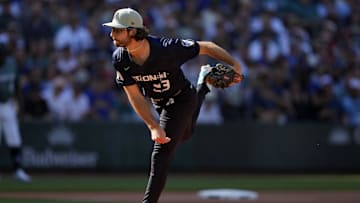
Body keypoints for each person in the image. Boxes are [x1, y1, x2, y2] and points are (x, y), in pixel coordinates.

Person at [103, 8, 242, 203]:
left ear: (132, 31)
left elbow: (207, 46)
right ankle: (203, 84)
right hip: (160, 103)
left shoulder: (166, 48)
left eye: (117, 30)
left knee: (162, 153)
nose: (112, 34)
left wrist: (235, 64)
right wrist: (152, 125)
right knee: (185, 134)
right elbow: (134, 95)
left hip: (181, 99)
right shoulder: (120, 58)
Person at [0, 44, 32, 182]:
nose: (2, 56)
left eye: (3, 54)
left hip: (8, 104)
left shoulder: (11, 63)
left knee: (14, 137)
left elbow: (17, 84)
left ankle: (18, 170)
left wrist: (21, 107)